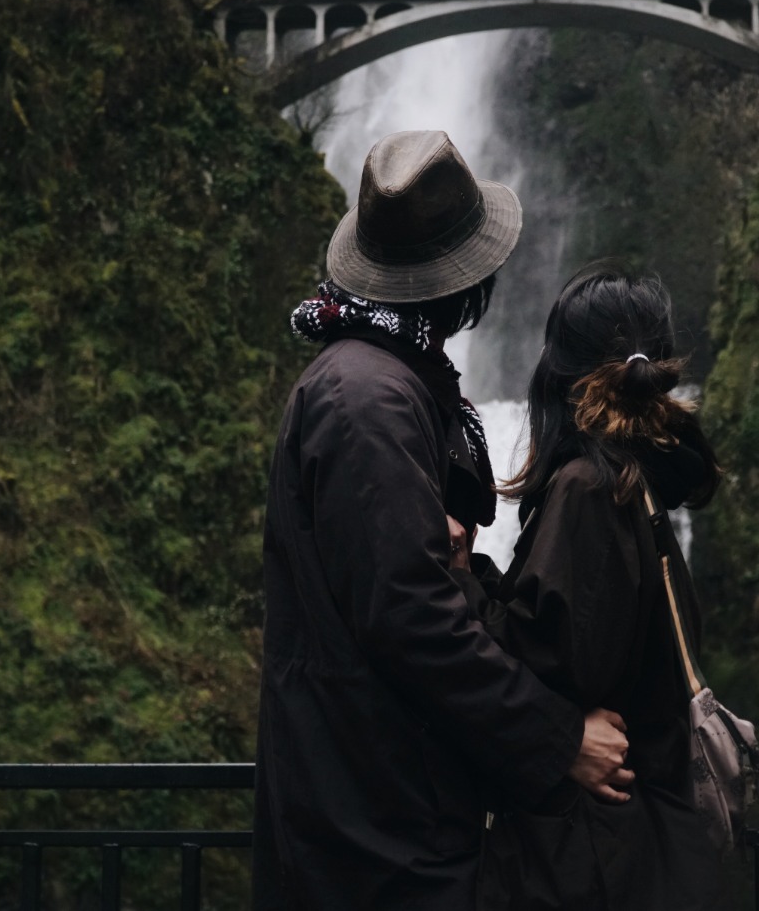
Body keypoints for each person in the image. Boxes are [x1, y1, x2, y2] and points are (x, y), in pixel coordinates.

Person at [253, 132, 635, 911]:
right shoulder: (369, 401)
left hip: (376, 806)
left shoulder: (379, 378)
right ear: (462, 280)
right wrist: (557, 740)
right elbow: (409, 612)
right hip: (376, 833)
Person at [450, 267, 728, 911]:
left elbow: (543, 658)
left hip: (593, 853)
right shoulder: (646, 484)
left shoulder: (591, 488)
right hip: (644, 839)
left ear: (556, 374)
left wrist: (461, 581)